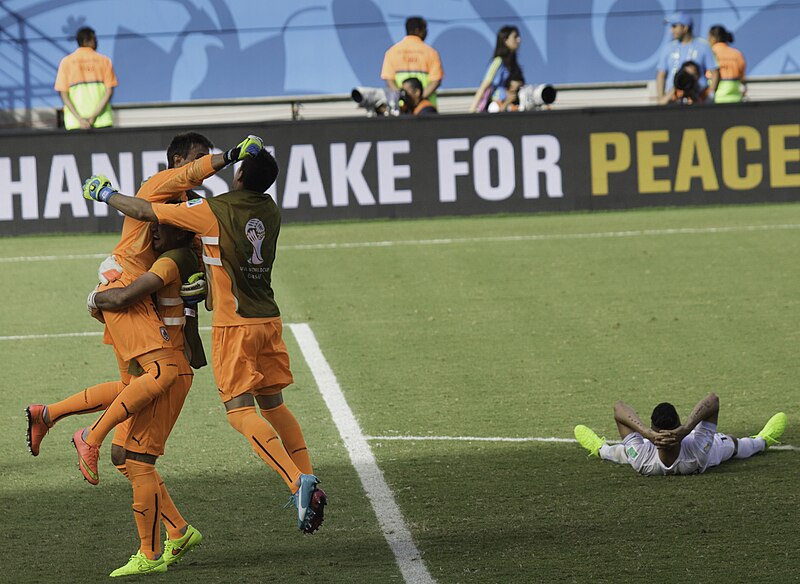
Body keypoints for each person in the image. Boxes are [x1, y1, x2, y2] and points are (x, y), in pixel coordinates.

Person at [81, 150, 327, 534]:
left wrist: (105, 193)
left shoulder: (212, 211)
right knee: (275, 406)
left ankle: (298, 483)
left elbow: (148, 213)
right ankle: (310, 479)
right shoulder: (271, 211)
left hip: (236, 326)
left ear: (240, 173)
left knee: (240, 412)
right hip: (269, 319)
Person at [69, 132, 262, 489]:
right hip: (126, 287)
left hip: (147, 304)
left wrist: (200, 283)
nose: (204, 166)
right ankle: (89, 436)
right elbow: (181, 183)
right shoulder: (161, 184)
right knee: (161, 376)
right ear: (177, 161)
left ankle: (49, 416)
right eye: (199, 157)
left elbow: (203, 278)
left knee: (130, 411)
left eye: (208, 157)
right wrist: (232, 155)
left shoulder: (191, 208)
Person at [26, 222, 206, 576]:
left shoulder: (172, 260)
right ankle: (180, 532)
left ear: (183, 233)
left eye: (162, 227)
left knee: (138, 462)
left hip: (166, 366)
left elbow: (124, 296)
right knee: (123, 456)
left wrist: (96, 295)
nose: (153, 232)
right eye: (152, 225)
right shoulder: (178, 258)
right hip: (154, 359)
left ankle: (150, 555)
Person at [573, 393, 787, 476]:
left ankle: (599, 448)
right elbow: (712, 400)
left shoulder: (642, 460)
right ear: (678, 423)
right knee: (732, 444)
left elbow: (619, 407)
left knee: (618, 452)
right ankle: (762, 440)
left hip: (651, 452)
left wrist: (646, 434)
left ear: (653, 427)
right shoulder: (696, 452)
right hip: (698, 450)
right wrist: (686, 429)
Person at [54, 26, 118, 130]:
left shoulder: (66, 62)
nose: (97, 43)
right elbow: (109, 92)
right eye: (95, 39)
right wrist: (93, 117)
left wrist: (79, 119)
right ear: (87, 41)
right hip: (101, 121)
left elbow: (64, 95)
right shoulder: (104, 61)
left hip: (75, 122)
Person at [656, 12, 719, 105]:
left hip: (697, 99)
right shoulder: (668, 47)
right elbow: (661, 75)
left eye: (674, 26)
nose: (671, 30)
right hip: (674, 99)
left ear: (685, 28)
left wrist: (708, 96)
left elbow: (715, 73)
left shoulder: (703, 46)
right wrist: (662, 98)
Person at [381, 16, 444, 107]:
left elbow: (389, 82)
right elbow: (436, 81)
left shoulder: (392, 52)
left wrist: (403, 99)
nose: (426, 32)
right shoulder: (431, 53)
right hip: (425, 108)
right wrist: (418, 99)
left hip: (402, 107)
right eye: (425, 29)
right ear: (418, 30)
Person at [469, 25, 523, 113]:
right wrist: (472, 110)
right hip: (497, 106)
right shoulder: (498, 61)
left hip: (511, 106)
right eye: (515, 37)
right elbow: (485, 85)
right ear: (505, 40)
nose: (519, 40)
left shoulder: (515, 65)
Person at [708, 25, 746, 103]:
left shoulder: (710, 53)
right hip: (735, 99)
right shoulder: (737, 54)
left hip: (715, 99)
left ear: (713, 38)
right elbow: (742, 78)